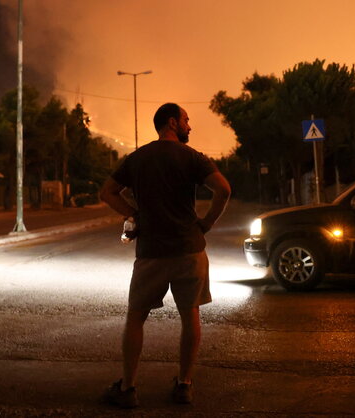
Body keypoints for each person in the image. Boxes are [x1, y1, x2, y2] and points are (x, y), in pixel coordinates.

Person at [99, 103, 231, 408]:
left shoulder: (138, 158)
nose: (189, 126)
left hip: (151, 253)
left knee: (136, 317)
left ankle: (128, 388)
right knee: (190, 314)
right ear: (172, 123)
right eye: (186, 120)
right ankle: (184, 385)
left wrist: (134, 214)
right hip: (190, 250)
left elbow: (107, 193)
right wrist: (207, 223)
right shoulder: (192, 158)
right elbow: (223, 189)